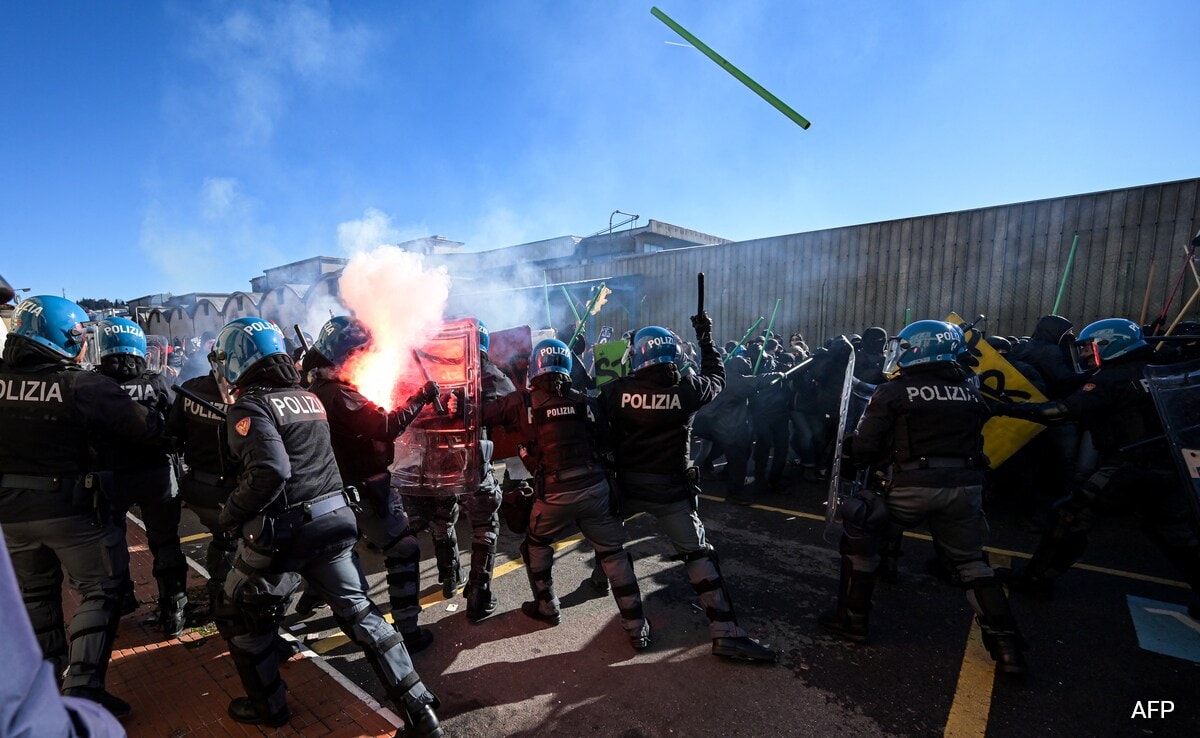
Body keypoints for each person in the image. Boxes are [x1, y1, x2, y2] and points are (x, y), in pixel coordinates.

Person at [208, 317, 442, 735]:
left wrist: (229, 516)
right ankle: (420, 708)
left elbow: (272, 471)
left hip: (283, 533)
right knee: (364, 617)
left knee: (239, 612)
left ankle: (270, 707)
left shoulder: (252, 405)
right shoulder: (308, 399)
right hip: (335, 522)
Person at [820, 320, 1027, 676]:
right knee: (973, 564)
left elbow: (866, 446)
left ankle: (853, 621)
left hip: (910, 486)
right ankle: (1007, 649)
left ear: (918, 349)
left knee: (862, 536)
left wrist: (850, 449)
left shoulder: (895, 391)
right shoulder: (970, 388)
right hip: (965, 488)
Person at [0, 296, 164, 716]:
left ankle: (47, 685)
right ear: (61, 338)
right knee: (101, 589)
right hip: (73, 511)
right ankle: (84, 688)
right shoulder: (82, 385)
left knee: (36, 595)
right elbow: (145, 429)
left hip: (13, 516)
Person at [601, 316, 777, 662]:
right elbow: (717, 376)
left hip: (629, 487)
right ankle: (726, 632)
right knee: (698, 555)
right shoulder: (689, 390)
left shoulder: (615, 392)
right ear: (673, 357)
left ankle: (635, 630)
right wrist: (705, 338)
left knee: (611, 551)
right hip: (672, 493)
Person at [997, 318, 1200, 607]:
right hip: (1172, 466)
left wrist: (1005, 408)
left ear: (1110, 345)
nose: (1083, 354)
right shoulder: (1159, 369)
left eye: (1088, 348)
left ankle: (1036, 580)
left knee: (1068, 515)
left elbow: (1062, 411)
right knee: (1173, 533)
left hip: (1128, 466)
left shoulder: (1111, 378)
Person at [482, 338, 651, 648]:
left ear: (534, 368)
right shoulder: (587, 402)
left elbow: (481, 415)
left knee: (535, 544)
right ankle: (636, 626)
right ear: (569, 367)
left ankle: (547, 606)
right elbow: (606, 442)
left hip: (553, 496)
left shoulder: (522, 402)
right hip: (595, 490)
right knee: (614, 554)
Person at [304, 315, 440, 652]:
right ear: (344, 355)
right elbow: (386, 425)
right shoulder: (339, 395)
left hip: (332, 488)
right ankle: (407, 629)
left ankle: (314, 598)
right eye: (359, 353)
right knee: (404, 548)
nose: (364, 359)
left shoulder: (315, 388)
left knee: (339, 554)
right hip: (365, 488)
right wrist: (421, 397)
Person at [94, 317, 187, 637]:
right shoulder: (157, 381)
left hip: (109, 476)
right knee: (166, 541)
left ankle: (121, 599)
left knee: (111, 540)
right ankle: (174, 605)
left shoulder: (91, 385)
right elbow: (177, 423)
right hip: (157, 474)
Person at [166, 365, 238, 614]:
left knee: (223, 542)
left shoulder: (191, 389)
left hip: (197, 489)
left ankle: (220, 596)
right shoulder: (250, 396)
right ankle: (230, 606)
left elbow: (173, 434)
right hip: (236, 493)